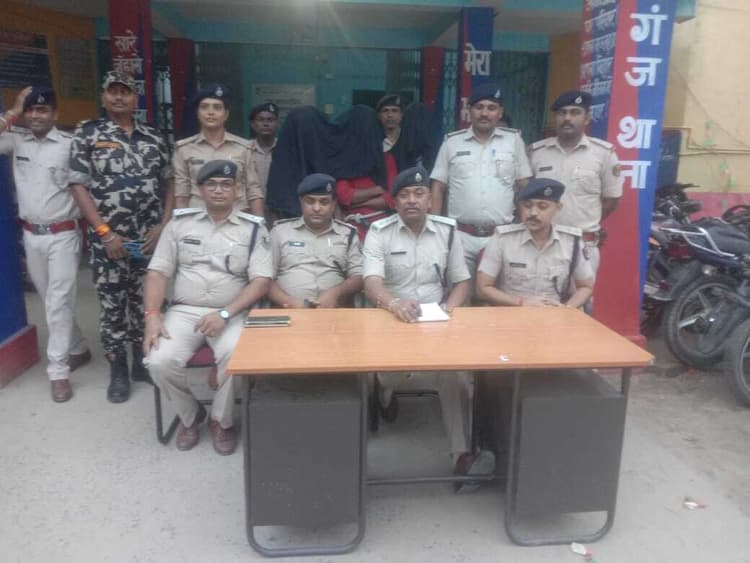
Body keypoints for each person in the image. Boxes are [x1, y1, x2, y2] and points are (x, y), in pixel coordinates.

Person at [363, 166, 493, 489]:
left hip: (434, 320)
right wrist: (394, 303)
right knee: (382, 375)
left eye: (419, 194)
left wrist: (450, 307)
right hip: (390, 318)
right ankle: (385, 394)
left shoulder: (447, 232)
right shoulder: (379, 231)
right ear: (394, 202)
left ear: (430, 201)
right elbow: (371, 283)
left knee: (455, 377)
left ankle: (461, 456)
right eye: (404, 195)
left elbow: (462, 281)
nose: (412, 200)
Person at [143, 160, 272, 455]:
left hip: (232, 311)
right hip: (184, 311)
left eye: (226, 184)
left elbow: (262, 281)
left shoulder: (254, 229)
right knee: (158, 359)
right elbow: (158, 273)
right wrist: (152, 316)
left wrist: (225, 313)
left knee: (236, 356)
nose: (218, 190)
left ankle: (221, 421)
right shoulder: (179, 224)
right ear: (199, 189)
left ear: (237, 190)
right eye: (211, 184)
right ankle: (191, 416)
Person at [69, 70, 173, 403]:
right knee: (113, 305)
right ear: (103, 96)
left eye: (125, 91)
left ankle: (142, 361)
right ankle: (117, 369)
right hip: (109, 241)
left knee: (147, 301)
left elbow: (170, 182)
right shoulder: (88, 133)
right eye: (112, 91)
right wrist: (104, 232)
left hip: (148, 240)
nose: (118, 97)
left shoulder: (154, 137)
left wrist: (163, 226)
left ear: (134, 97)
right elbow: (78, 186)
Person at [0, 86, 91, 402]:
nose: (36, 115)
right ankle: (78, 346)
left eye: (43, 110)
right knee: (52, 300)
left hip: (63, 234)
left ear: (54, 114)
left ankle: (58, 371)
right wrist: (13, 111)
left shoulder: (69, 143)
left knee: (58, 302)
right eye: (31, 110)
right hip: (31, 235)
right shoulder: (16, 140)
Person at [430, 84, 532, 275]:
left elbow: (524, 186)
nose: (484, 113)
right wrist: (435, 229)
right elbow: (438, 187)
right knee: (460, 289)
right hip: (461, 236)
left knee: (498, 290)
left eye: (491, 108)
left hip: (501, 235)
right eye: (479, 107)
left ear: (500, 112)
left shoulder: (514, 141)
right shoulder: (452, 142)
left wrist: (524, 227)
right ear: (469, 111)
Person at [528, 90, 623, 276]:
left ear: (586, 119)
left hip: (582, 245)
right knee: (536, 294)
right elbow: (525, 196)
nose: (567, 118)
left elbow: (611, 200)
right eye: (562, 113)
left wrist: (587, 221)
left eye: (575, 113)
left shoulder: (603, 154)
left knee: (581, 294)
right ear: (555, 118)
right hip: (540, 243)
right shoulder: (537, 153)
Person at [476, 178, 594, 308]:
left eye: (542, 206)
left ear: (558, 208)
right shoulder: (503, 239)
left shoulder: (571, 242)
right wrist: (521, 303)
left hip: (554, 314)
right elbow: (483, 288)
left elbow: (586, 286)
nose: (533, 213)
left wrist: (566, 309)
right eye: (527, 206)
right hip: (511, 312)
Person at [269, 173, 363, 308]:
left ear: (333, 204)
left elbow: (359, 277)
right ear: (301, 202)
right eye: (310, 201)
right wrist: (289, 302)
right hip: (288, 311)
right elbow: (265, 279)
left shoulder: (348, 234)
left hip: (335, 311)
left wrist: (336, 293)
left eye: (324, 202)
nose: (317, 208)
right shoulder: (280, 232)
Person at [173, 84, 264, 216]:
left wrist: (259, 224)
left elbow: (253, 191)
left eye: (217, 107)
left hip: (237, 220)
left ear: (226, 114)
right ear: (197, 113)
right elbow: (181, 193)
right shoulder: (184, 149)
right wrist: (182, 224)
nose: (210, 112)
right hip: (198, 219)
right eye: (204, 107)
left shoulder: (243, 148)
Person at [248, 102, 279, 204]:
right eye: (260, 120)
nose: (265, 124)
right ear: (253, 124)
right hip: (250, 207)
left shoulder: (285, 149)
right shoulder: (244, 150)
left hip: (279, 208)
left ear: (277, 123)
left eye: (270, 120)